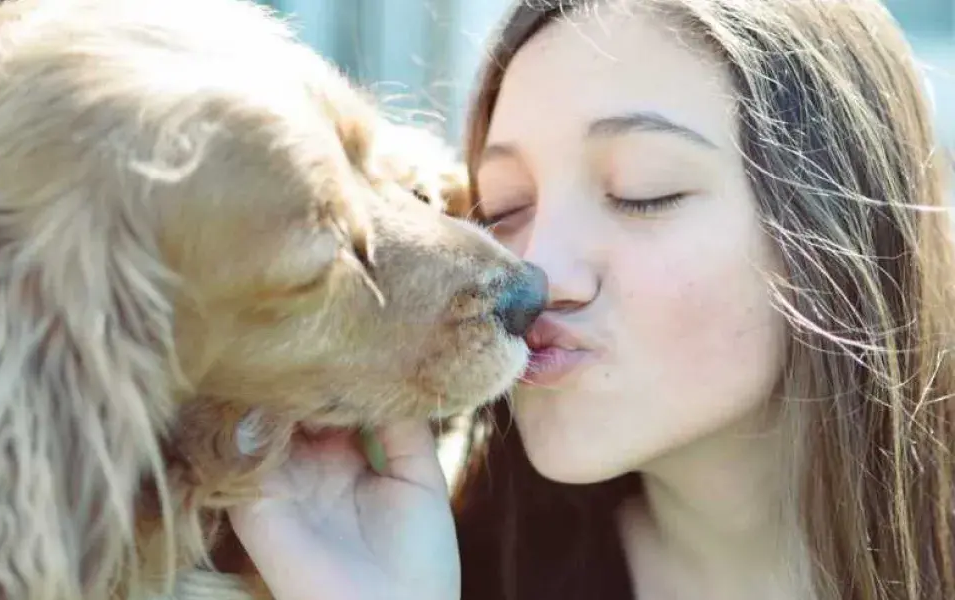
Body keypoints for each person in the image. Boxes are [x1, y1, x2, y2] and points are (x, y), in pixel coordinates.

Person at [227, 1, 955, 599]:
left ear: (843, 233)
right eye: (504, 205)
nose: (531, 269)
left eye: (642, 192)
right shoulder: (442, 570)